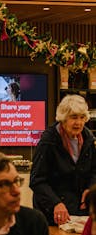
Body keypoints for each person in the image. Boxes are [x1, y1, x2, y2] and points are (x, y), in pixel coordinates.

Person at [30, 94, 96, 225]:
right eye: (73, 117)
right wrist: (56, 203)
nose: (78, 122)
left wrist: (90, 189)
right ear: (63, 118)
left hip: (80, 213)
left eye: (82, 117)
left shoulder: (89, 139)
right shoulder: (48, 142)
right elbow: (37, 181)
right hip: (52, 213)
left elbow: (94, 170)